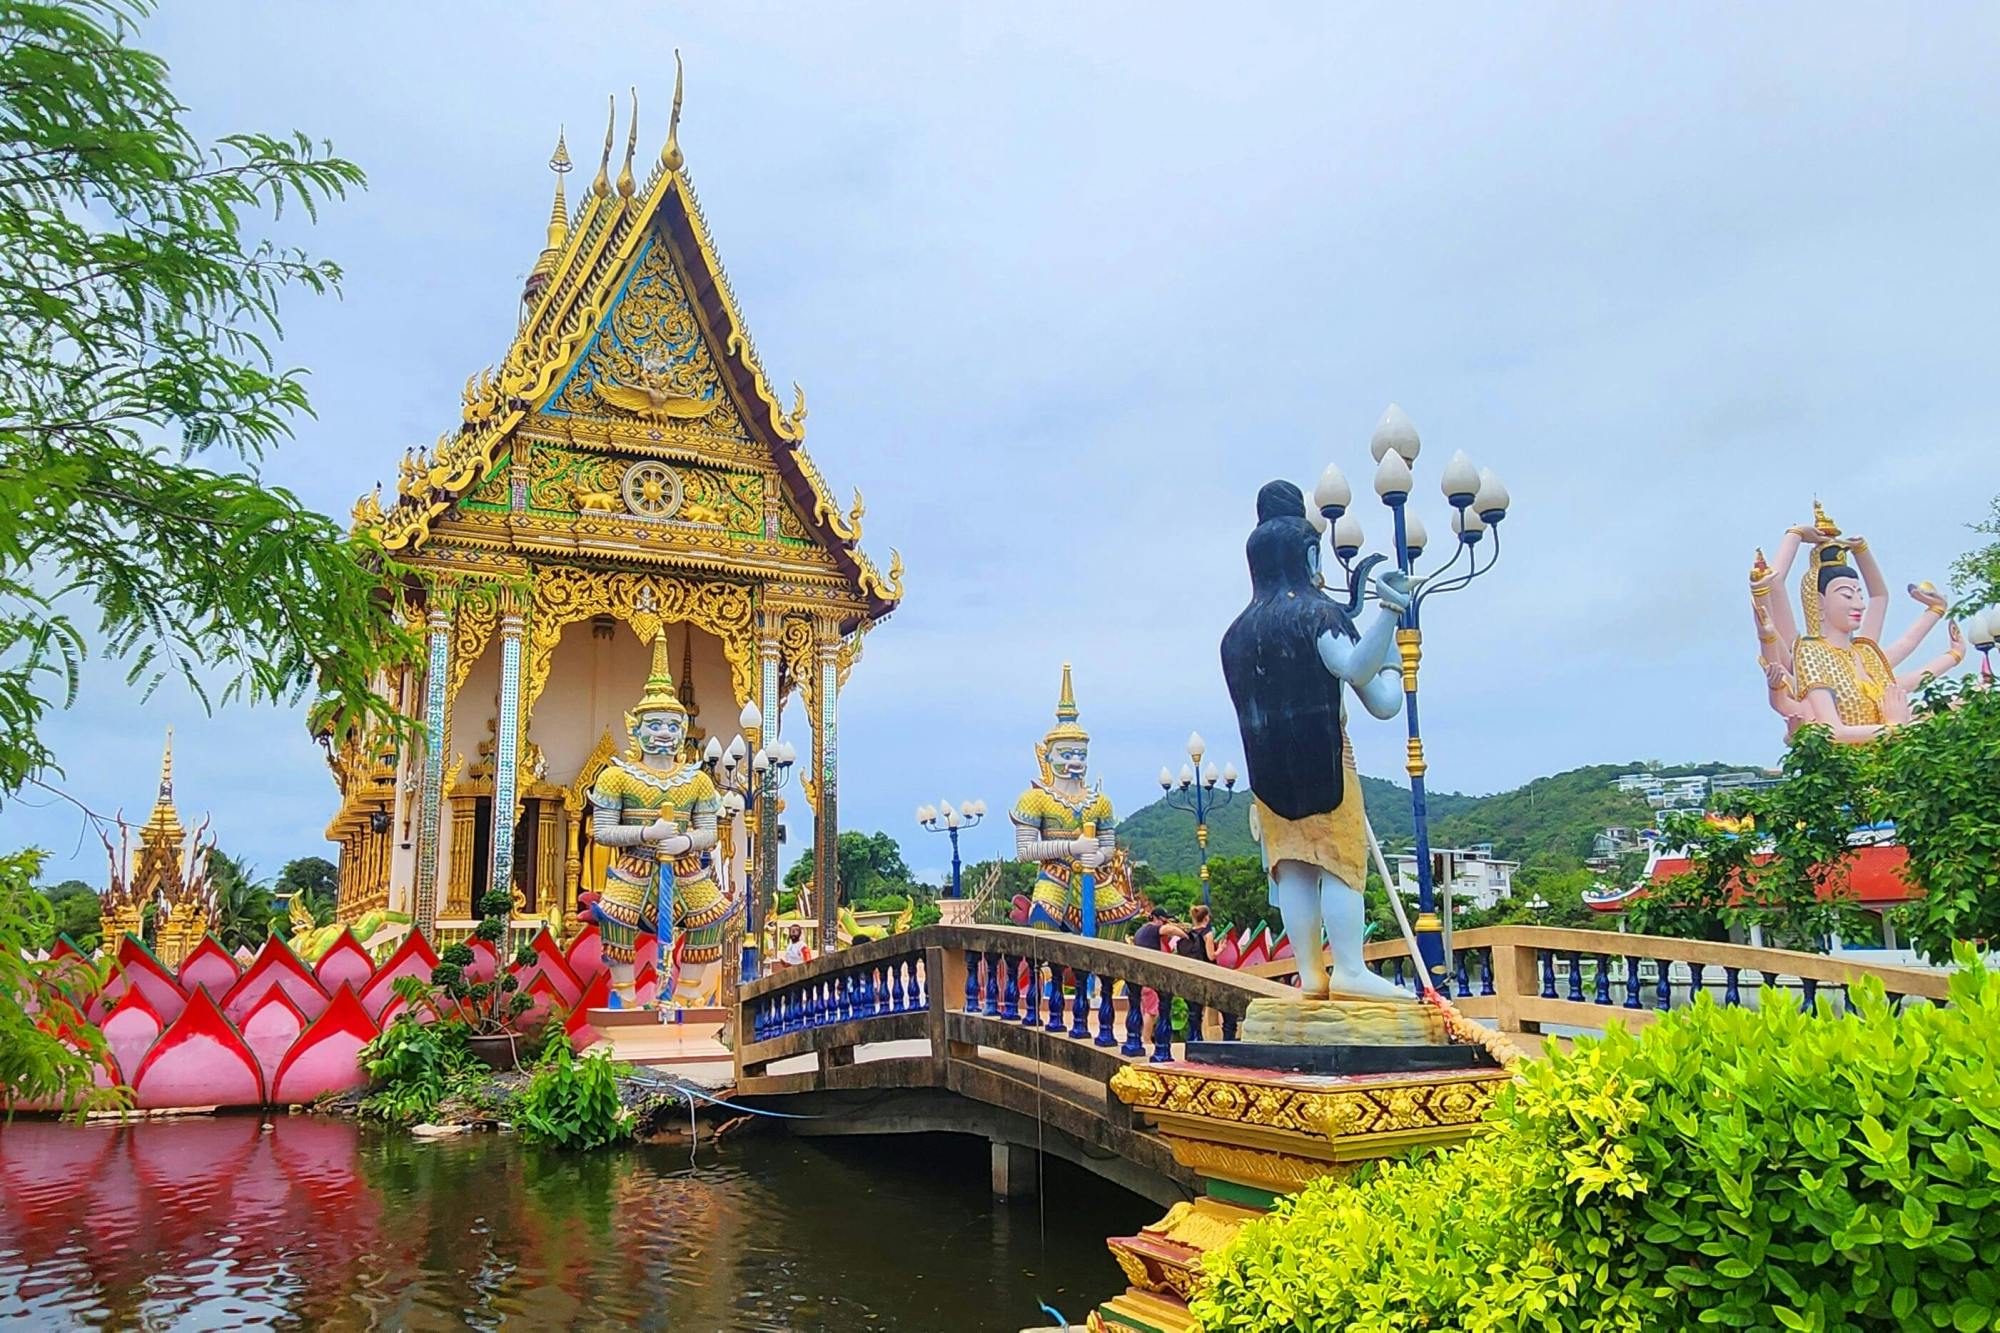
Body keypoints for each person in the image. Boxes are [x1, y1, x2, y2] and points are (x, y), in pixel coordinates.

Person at [1175, 905, 1214, 1039]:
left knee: (1193, 1011)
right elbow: (1211, 956)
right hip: (1203, 975)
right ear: (1206, 917)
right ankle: (1198, 1039)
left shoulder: (1186, 935)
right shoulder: (1207, 934)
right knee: (1199, 1010)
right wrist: (1221, 949)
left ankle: (1193, 1038)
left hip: (1189, 975)